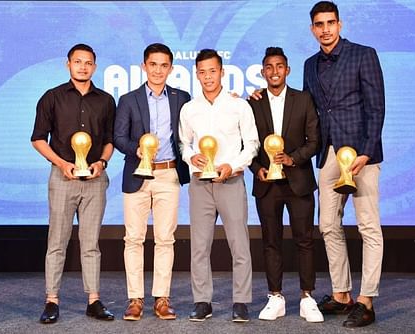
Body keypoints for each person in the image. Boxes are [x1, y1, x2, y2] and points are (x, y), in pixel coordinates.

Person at [304, 1, 385, 328]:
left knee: (368, 226)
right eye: (319, 24)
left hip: (362, 156)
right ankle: (342, 294)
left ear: (340, 24)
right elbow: (309, 109)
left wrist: (366, 152)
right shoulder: (310, 64)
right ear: (312, 28)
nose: (325, 29)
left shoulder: (364, 54)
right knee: (328, 226)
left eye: (330, 23)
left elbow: (376, 107)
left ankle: (366, 300)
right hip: (328, 155)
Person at [31, 43, 116, 324]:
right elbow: (38, 139)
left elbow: (109, 140)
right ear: (68, 64)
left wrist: (101, 163)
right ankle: (51, 300)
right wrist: (62, 163)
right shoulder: (52, 97)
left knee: (90, 244)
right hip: (63, 178)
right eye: (77, 62)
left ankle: (94, 300)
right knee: (57, 242)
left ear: (95, 66)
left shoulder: (105, 100)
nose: (83, 66)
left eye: (88, 62)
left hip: (94, 180)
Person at [179, 49, 259, 323]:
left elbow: (251, 144)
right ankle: (202, 301)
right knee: (199, 245)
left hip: (231, 180)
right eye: (202, 71)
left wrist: (232, 166)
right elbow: (183, 144)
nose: (208, 76)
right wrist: (191, 156)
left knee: (239, 243)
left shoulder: (239, 106)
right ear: (197, 74)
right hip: (200, 183)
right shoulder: (189, 109)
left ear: (222, 72)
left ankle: (241, 301)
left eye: (213, 71)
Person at [113, 43, 191, 321]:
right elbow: (118, 137)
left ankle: (162, 299)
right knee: (133, 238)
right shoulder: (128, 99)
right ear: (143, 66)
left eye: (164, 65)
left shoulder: (182, 98)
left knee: (165, 240)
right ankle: (135, 299)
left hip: (168, 174)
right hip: (137, 174)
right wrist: (137, 149)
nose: (158, 70)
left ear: (171, 68)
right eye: (153, 64)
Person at [248, 47, 323, 323]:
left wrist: (293, 159)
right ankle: (275, 296)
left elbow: (314, 141)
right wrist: (257, 169)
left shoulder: (304, 100)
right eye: (269, 67)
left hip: (299, 181)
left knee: (305, 240)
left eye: (279, 66)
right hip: (267, 183)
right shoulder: (252, 103)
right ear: (263, 71)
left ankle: (307, 297)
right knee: (271, 242)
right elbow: (246, 144)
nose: (274, 71)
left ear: (287, 70)